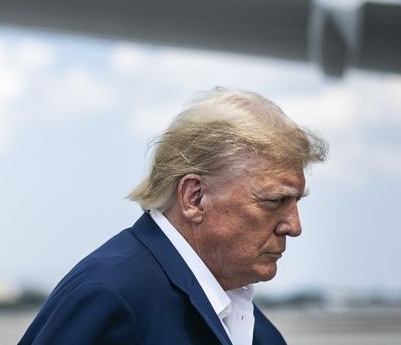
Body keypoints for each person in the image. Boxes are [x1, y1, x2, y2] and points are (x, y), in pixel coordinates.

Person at [19, 87, 327, 345]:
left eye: (296, 201)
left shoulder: (256, 331)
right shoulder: (110, 298)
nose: (294, 226)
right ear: (194, 198)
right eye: (274, 201)